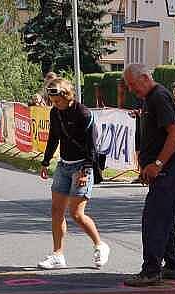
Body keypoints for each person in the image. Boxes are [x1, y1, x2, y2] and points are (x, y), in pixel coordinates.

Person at [123, 64, 175, 287]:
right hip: (164, 165)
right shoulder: (150, 99)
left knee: (154, 217)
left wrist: (158, 164)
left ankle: (151, 270)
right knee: (165, 215)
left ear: (144, 78)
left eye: (132, 85)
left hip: (170, 165)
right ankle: (173, 265)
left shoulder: (159, 96)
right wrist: (147, 164)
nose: (131, 90)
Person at [38, 78, 110, 270]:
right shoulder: (55, 113)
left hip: (81, 166)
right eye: (52, 102)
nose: (55, 105)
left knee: (76, 214)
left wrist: (86, 170)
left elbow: (92, 146)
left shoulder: (83, 113)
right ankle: (57, 254)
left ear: (67, 95)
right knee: (56, 211)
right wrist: (45, 162)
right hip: (64, 166)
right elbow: (53, 137)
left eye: (57, 101)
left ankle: (100, 245)